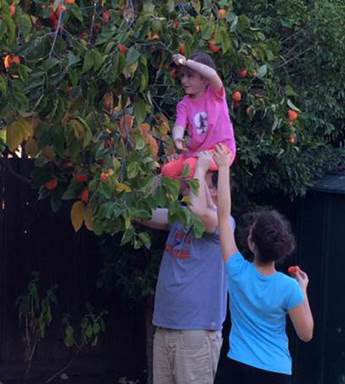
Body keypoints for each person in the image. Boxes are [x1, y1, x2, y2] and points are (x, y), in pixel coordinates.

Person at [212, 143, 314, 384]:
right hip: (275, 373)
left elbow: (223, 216)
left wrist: (224, 167)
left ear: (251, 243)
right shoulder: (289, 288)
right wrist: (303, 290)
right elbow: (306, 334)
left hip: (237, 367)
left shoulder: (236, 270)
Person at [143, 151, 233, 384]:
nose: (189, 180)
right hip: (165, 327)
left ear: (215, 190)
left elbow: (200, 215)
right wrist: (166, 176)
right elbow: (142, 214)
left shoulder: (222, 222)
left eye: (195, 178)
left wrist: (201, 168)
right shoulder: (180, 216)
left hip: (197, 333)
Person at [161, 52, 236, 179]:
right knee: (167, 171)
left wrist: (186, 62)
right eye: (182, 75)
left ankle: (196, 197)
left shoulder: (215, 94)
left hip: (220, 151)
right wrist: (177, 139)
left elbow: (212, 74)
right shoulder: (184, 104)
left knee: (189, 166)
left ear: (204, 80)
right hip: (195, 153)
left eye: (190, 76)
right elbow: (179, 124)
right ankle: (181, 197)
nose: (184, 80)